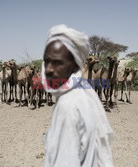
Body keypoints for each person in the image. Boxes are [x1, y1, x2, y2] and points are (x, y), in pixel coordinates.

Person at [42, 24, 114, 167]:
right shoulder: (85, 92)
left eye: (57, 63)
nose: (48, 69)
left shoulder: (68, 105)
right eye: (46, 61)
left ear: (75, 65)